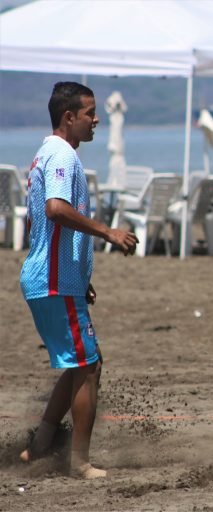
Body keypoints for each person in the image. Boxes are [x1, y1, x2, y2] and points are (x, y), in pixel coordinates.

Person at [19, 82, 138, 479]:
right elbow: (55, 210)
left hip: (56, 279)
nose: (96, 119)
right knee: (89, 366)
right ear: (69, 117)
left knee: (77, 365)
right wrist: (108, 232)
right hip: (52, 281)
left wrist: (79, 273)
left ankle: (39, 446)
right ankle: (80, 462)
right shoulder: (61, 154)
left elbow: (44, 223)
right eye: (89, 113)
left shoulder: (49, 152)